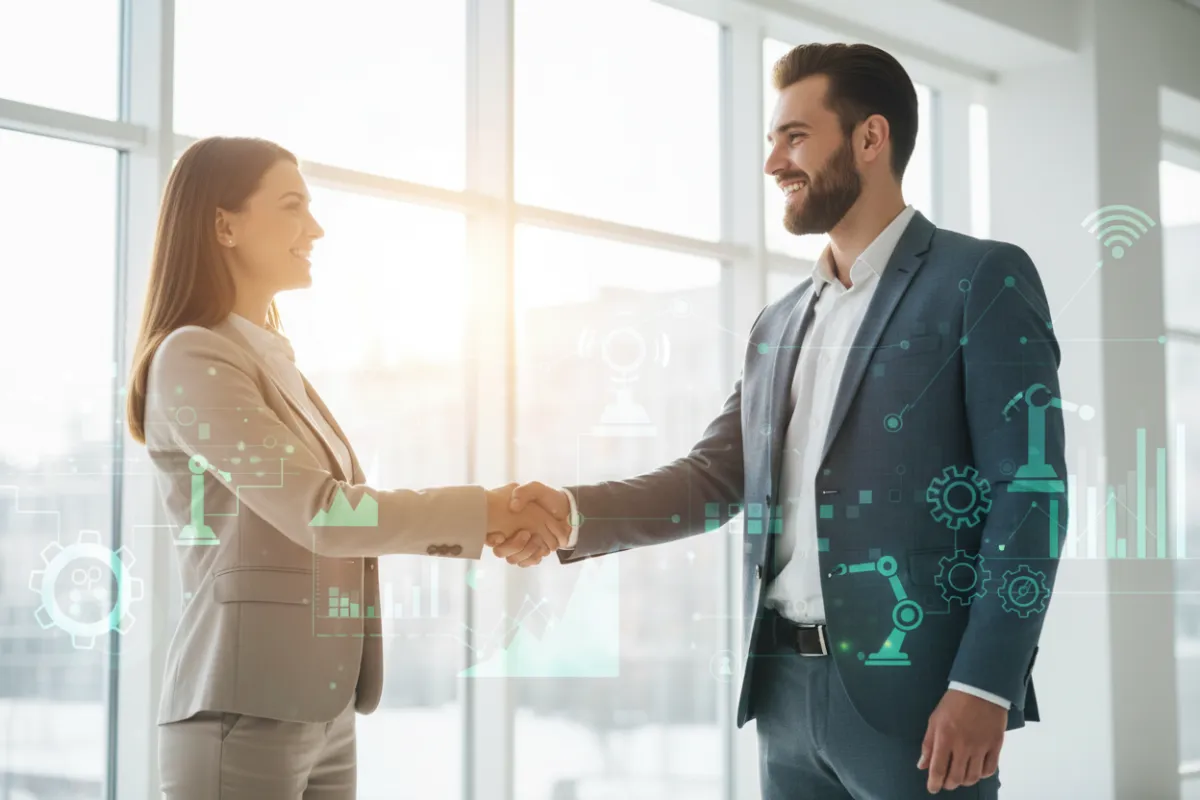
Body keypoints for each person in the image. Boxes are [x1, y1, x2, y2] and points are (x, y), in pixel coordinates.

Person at [492, 42, 1066, 799]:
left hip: (919, 701)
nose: (773, 164)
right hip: (783, 699)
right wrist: (571, 514)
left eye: (794, 137)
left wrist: (985, 685)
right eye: (770, 140)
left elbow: (1031, 494)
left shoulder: (978, 278)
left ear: (870, 138)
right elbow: (714, 477)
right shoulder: (778, 323)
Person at [126, 136, 568, 799]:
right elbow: (324, 512)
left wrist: (489, 517)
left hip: (319, 706)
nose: (316, 228)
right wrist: (488, 512)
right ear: (225, 224)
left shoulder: (272, 359)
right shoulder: (194, 356)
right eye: (292, 205)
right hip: (242, 711)